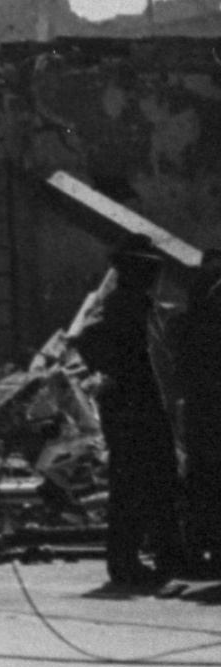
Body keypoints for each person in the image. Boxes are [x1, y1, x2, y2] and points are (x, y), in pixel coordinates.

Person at [73, 238, 191, 590]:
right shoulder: (125, 310)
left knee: (156, 484)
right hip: (134, 412)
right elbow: (130, 360)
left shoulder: (131, 307)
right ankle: (127, 566)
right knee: (136, 488)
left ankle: (167, 557)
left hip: (140, 410)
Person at [172, 252, 221, 570]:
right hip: (211, 406)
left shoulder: (183, 325)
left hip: (198, 408)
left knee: (201, 477)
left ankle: (196, 546)